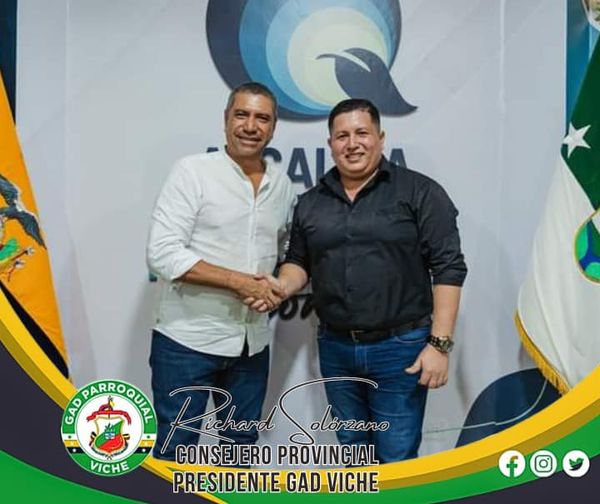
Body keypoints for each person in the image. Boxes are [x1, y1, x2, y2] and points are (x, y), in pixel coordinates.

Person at [247, 98, 467, 462]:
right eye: (342, 136)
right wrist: (281, 286)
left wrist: (439, 345)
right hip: (335, 349)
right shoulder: (311, 202)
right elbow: (299, 261)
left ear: (380, 137)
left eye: (362, 133)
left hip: (401, 350)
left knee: (396, 457)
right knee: (353, 455)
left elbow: (449, 267)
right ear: (330, 143)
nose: (352, 144)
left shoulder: (420, 192)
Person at [146, 82, 294, 461]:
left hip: (251, 346)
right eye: (241, 115)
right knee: (176, 457)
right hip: (187, 344)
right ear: (225, 119)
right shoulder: (192, 172)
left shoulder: (282, 186)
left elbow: (282, 254)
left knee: (239, 455)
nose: (251, 126)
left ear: (273, 128)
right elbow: (162, 254)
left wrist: (274, 288)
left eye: (262, 118)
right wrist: (238, 282)